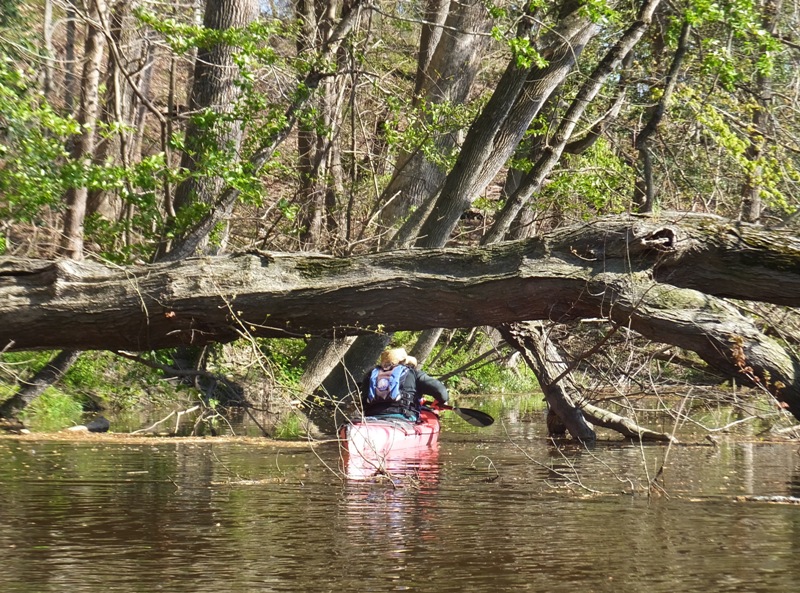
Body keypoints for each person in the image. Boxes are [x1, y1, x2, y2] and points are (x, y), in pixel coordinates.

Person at [361, 348, 448, 422]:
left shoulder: (371, 374)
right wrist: (440, 402)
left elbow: (363, 400)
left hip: (371, 418)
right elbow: (442, 392)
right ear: (405, 361)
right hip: (404, 418)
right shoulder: (413, 373)